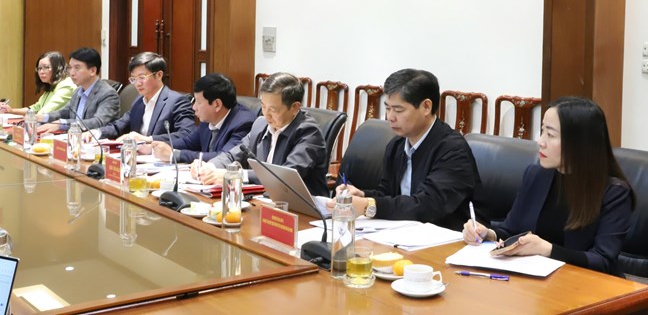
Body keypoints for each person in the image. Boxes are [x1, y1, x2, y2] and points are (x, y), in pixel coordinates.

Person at [462, 97, 635, 276]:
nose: (540, 141)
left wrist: (548, 250)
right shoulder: (536, 175)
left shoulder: (614, 193)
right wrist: (488, 234)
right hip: (537, 281)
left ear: (579, 142)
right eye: (542, 131)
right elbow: (511, 230)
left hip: (588, 285)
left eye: (550, 135)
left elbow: (603, 261)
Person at [329, 68, 485, 231]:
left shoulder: (453, 150)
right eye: (387, 108)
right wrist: (362, 196)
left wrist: (368, 205)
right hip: (404, 234)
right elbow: (388, 194)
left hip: (450, 237)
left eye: (398, 110)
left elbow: (428, 206)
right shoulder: (396, 145)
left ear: (426, 107)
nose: (390, 117)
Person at [197, 72, 329, 197]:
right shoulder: (260, 124)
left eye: (273, 110)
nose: (266, 115)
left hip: (300, 209)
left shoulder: (309, 133)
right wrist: (210, 167)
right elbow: (233, 155)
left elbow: (284, 177)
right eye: (263, 106)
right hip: (262, 201)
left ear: (295, 107)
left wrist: (236, 175)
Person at [83, 52, 195, 147]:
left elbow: (187, 134)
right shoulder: (139, 101)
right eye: (133, 79)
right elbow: (119, 126)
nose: (137, 83)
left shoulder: (178, 102)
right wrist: (96, 132)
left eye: (142, 77)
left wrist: (148, 139)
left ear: (159, 75)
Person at [150, 73, 256, 163]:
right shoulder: (208, 119)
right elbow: (187, 143)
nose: (194, 107)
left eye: (198, 102)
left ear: (217, 104)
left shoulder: (243, 123)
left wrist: (175, 155)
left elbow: (223, 157)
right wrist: (155, 147)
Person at [37, 47, 120, 133]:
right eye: (70, 67)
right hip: (73, 137)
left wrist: (62, 124)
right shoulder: (78, 91)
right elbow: (65, 112)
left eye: (77, 68)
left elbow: (98, 122)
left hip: (95, 139)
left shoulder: (108, 94)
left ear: (92, 71)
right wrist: (42, 117)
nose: (71, 73)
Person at [0, 51, 76, 115]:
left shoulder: (66, 86)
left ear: (58, 68)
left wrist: (29, 120)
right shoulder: (51, 86)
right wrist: (11, 110)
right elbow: (36, 108)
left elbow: (45, 112)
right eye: (39, 68)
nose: (41, 72)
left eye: (46, 67)